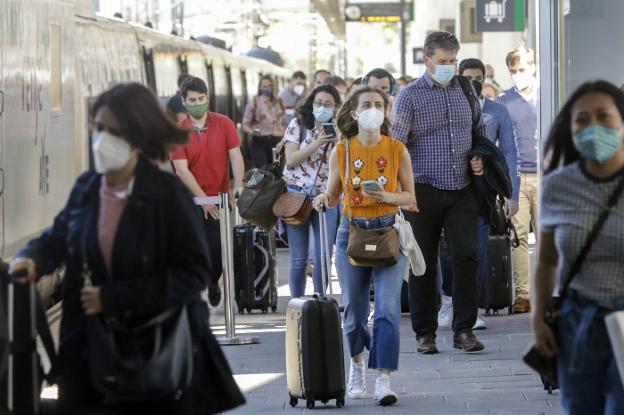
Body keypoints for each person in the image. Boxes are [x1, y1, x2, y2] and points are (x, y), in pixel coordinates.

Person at [8, 83, 245, 414]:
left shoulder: (166, 196)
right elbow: (59, 237)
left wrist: (114, 297)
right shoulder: (88, 188)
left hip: (151, 356)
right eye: (99, 128)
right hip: (86, 352)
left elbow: (193, 274)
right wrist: (29, 259)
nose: (102, 139)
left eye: (113, 131)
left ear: (137, 135)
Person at [313, 86, 416, 406]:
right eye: (366, 105)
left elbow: (411, 199)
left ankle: (383, 379)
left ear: (386, 111)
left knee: (386, 310)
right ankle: (357, 366)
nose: (373, 109)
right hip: (351, 233)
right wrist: (322, 199)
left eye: (379, 104)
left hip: (388, 234)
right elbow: (332, 194)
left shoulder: (397, 149)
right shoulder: (341, 151)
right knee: (355, 313)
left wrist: (387, 197)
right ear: (355, 113)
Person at [532, 80, 624, 414]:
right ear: (570, 129)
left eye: (604, 116)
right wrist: (539, 319)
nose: (593, 127)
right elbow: (546, 262)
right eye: (582, 119)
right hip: (576, 324)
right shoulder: (557, 186)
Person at [392, 31, 486, 354]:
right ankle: (425, 333)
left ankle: (464, 329)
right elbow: (397, 146)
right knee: (423, 262)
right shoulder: (410, 96)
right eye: (443, 61)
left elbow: (479, 131)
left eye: (453, 61)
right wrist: (401, 192)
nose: (449, 67)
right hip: (423, 189)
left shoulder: (466, 90)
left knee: (467, 255)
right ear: (427, 59)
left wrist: (479, 156)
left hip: (462, 188)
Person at [437, 58, 520, 330]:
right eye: (468, 77)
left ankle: (472, 308)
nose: (473, 82)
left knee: (479, 251)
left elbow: (509, 152)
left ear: (486, 79)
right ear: (458, 77)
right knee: (449, 251)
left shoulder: (497, 111)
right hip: (449, 188)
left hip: (483, 191)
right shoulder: (447, 106)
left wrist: (511, 193)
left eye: (479, 78)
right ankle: (449, 301)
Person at [170, 76, 245, 307]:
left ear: (208, 98)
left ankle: (213, 281)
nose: (197, 103)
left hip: (220, 197)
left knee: (216, 249)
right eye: (192, 99)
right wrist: (202, 201)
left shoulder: (224, 124)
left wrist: (238, 184)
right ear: (184, 101)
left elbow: (236, 156)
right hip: (189, 200)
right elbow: (182, 171)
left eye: (201, 98)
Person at [282, 85, 341, 298]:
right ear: (311, 104)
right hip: (297, 194)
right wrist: (317, 142)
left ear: (336, 107)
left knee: (323, 255)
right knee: (298, 258)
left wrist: (339, 133)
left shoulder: (339, 128)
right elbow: (291, 160)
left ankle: (319, 301)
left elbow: (347, 158)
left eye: (327, 104)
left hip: (327, 196)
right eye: (318, 103)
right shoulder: (299, 125)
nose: (322, 108)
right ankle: (295, 306)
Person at [496, 45, 539, 313]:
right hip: (517, 178)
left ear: (533, 67)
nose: (517, 75)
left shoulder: (547, 96)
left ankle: (549, 292)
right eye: (513, 71)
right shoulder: (503, 101)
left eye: (522, 69)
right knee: (519, 237)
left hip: (546, 174)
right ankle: (523, 294)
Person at [242, 75, 286, 169]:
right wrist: (252, 132)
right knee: (263, 171)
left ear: (273, 87)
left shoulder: (280, 103)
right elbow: (245, 124)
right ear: (260, 87)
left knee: (277, 171)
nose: (267, 89)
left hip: (277, 141)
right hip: (259, 141)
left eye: (269, 86)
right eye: (264, 86)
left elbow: (284, 122)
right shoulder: (254, 102)